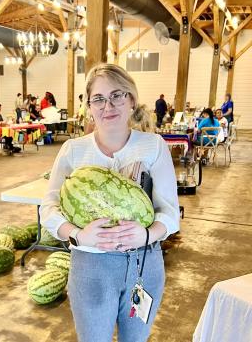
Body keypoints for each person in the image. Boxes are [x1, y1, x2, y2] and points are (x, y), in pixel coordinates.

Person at [41, 63, 179, 342]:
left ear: (131, 100)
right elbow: (48, 209)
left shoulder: (153, 146)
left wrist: (147, 234)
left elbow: (171, 213)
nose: (108, 106)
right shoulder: (73, 150)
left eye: (117, 95)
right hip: (91, 268)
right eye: (99, 99)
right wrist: (79, 235)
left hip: (144, 264)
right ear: (89, 106)